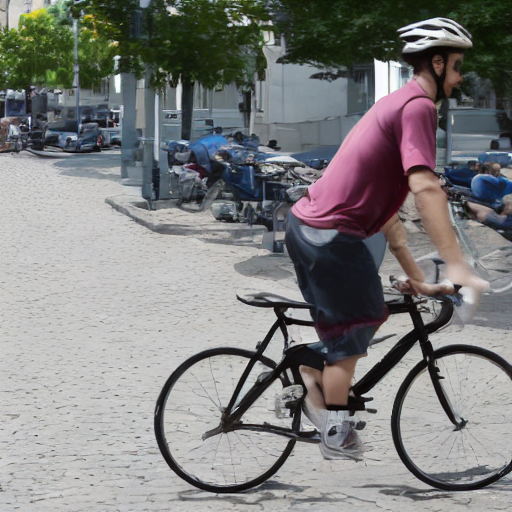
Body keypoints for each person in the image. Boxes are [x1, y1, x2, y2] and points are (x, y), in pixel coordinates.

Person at [285, 17, 489, 461]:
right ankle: (331, 426)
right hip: (329, 236)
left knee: (368, 315)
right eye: (456, 68)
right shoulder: (417, 107)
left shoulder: (394, 104)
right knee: (354, 330)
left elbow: (389, 219)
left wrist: (418, 277)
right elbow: (425, 186)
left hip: (313, 229)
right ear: (436, 63)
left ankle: (311, 364)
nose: (458, 80)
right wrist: (456, 266)